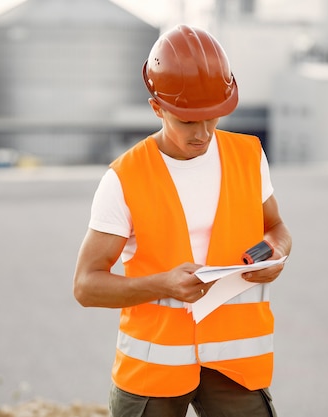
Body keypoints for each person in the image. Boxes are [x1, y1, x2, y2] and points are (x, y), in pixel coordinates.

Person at [73, 24, 292, 417]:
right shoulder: (124, 179)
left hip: (234, 365)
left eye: (214, 118)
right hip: (153, 373)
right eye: (188, 121)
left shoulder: (248, 156)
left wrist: (276, 253)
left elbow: (276, 229)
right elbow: (86, 286)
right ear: (157, 107)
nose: (204, 133)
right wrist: (162, 284)